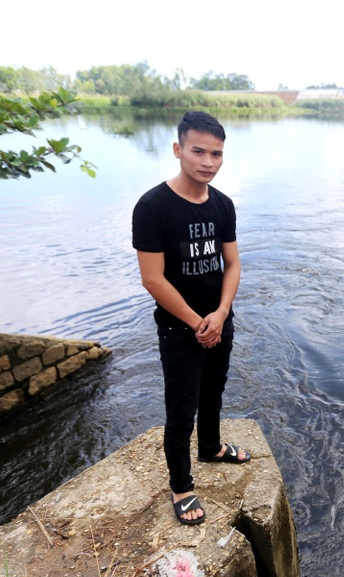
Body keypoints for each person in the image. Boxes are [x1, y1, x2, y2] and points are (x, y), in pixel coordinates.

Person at [132, 111, 251, 526]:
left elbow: (232, 264)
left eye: (216, 153)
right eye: (198, 151)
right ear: (178, 149)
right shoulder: (153, 207)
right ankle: (181, 486)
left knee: (214, 391)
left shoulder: (223, 205)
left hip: (220, 319)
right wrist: (197, 322)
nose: (208, 162)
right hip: (179, 327)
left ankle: (212, 447)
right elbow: (152, 278)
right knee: (181, 407)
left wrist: (219, 314)